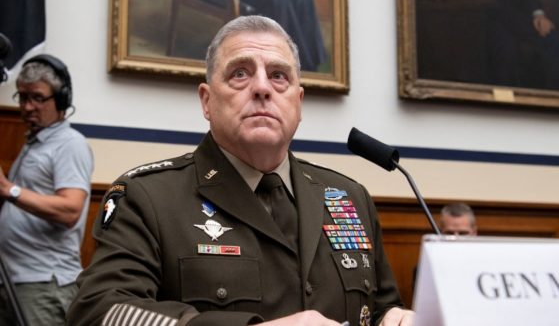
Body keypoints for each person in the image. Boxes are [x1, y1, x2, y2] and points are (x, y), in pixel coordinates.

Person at [67, 16, 414, 326]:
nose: (262, 88)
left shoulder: (348, 197)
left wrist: (396, 318)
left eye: (278, 76)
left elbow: (379, 308)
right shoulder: (148, 197)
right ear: (206, 101)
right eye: (240, 73)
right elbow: (99, 311)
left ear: (298, 102)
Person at [0, 54, 94, 325]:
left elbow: (70, 210)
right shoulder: (35, 143)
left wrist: (9, 189)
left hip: (42, 284)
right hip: (17, 280)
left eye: (38, 98)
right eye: (23, 97)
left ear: (62, 100)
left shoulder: (69, 144)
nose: (28, 107)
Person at [488, 0, 559, 90]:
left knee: (551, 38)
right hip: (496, 17)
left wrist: (539, 15)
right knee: (506, 50)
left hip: (526, 18)